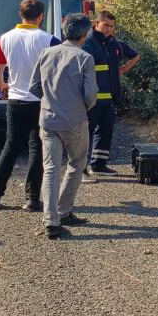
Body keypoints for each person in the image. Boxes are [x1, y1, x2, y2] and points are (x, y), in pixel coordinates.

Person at [0, 0, 60, 211]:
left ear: (20, 14)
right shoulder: (50, 40)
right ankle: (32, 199)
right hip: (40, 101)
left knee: (10, 147)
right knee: (37, 148)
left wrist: (2, 88)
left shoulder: (6, 38)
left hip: (15, 100)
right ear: (41, 16)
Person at [29, 14, 98, 238]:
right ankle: (64, 209)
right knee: (77, 162)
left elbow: (34, 87)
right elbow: (90, 95)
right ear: (85, 34)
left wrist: (50, 101)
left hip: (48, 119)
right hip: (74, 120)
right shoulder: (84, 58)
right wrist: (80, 109)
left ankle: (51, 220)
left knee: (50, 169)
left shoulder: (46, 53)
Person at [82, 10, 140, 181]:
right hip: (91, 98)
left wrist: (121, 70)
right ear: (96, 23)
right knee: (86, 133)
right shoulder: (87, 42)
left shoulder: (115, 43)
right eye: (106, 25)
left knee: (106, 130)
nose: (109, 29)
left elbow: (135, 56)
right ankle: (80, 169)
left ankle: (99, 164)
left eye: (112, 26)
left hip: (109, 97)